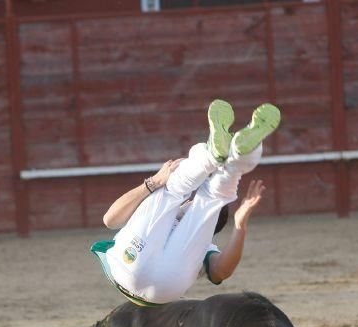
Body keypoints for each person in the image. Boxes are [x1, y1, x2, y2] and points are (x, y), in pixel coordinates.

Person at [91, 99, 280, 306]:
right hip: (166, 289)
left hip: (125, 266)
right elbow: (221, 272)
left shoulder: (199, 240)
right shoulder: (204, 247)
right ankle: (235, 163)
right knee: (213, 200)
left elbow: (110, 219)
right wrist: (240, 225)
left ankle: (209, 156)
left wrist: (155, 181)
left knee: (172, 189)